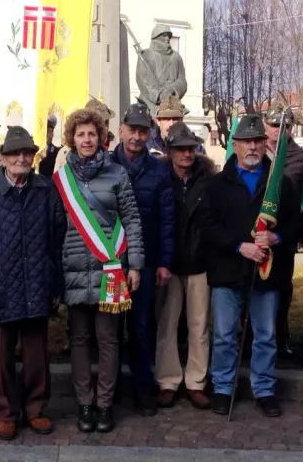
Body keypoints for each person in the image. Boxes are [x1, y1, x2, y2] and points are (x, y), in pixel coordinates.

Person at [0, 126, 66, 441]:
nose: (22, 158)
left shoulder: (45, 190)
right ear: (4, 157)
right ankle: (5, 412)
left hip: (36, 284)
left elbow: (58, 238)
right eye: (16, 153)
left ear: (34, 157)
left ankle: (35, 409)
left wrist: (54, 280)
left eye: (27, 153)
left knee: (36, 354)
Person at [200, 114, 298, 418]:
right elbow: (208, 227)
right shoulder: (217, 184)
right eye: (246, 141)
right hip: (228, 270)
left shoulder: (280, 183)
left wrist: (276, 236)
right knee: (225, 334)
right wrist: (238, 245)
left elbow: (297, 225)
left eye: (258, 140)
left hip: (267, 272)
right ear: (236, 145)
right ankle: (222, 387)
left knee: (266, 334)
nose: (253, 147)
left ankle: (264, 389)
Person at [57, 107, 144, 434]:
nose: (87, 139)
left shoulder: (117, 174)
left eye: (92, 133)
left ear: (102, 137)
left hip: (111, 271)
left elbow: (132, 220)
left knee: (108, 340)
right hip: (75, 270)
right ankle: (85, 404)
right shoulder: (62, 179)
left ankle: (105, 405)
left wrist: (134, 264)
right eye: (80, 134)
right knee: (79, 339)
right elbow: (56, 227)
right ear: (72, 139)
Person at [110, 102, 175, 416]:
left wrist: (164, 261)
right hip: (109, 260)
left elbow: (166, 218)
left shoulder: (159, 170)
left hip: (145, 262)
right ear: (121, 130)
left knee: (141, 327)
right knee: (110, 330)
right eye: (131, 130)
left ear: (149, 134)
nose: (136, 136)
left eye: (142, 131)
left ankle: (142, 389)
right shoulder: (106, 164)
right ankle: (110, 391)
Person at [155, 122, 215, 410]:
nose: (186, 154)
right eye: (180, 149)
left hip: (199, 261)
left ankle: (196, 381)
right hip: (169, 263)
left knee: (199, 324)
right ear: (170, 152)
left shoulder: (208, 179)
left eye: (190, 148)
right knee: (167, 323)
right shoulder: (160, 178)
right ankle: (167, 380)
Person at [264, 108, 303, 360]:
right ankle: (248, 335)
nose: (278, 131)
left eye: (285, 127)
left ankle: (281, 336)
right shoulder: (254, 151)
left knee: (282, 288)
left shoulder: (300, 158)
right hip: (256, 232)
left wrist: (301, 231)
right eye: (273, 125)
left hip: (285, 232)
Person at [54, 98, 115, 173]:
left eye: (106, 122)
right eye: (100, 122)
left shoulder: (116, 150)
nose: (104, 127)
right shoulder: (64, 153)